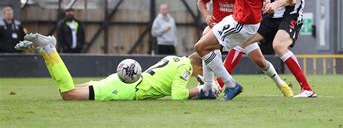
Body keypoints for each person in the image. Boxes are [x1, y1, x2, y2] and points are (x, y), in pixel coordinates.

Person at [197, 0, 293, 97]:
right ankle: (209, 86)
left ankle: (280, 83)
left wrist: (266, 2)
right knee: (206, 41)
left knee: (260, 61)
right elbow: (201, 1)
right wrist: (207, 16)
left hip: (242, 28)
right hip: (223, 27)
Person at [15, 33, 205, 101]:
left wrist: (197, 82)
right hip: (127, 89)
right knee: (68, 94)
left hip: (123, 80)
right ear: (199, 66)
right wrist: (201, 88)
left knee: (68, 91)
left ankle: (46, 52)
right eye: (204, 70)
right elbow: (178, 95)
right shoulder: (186, 68)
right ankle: (49, 49)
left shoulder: (176, 59)